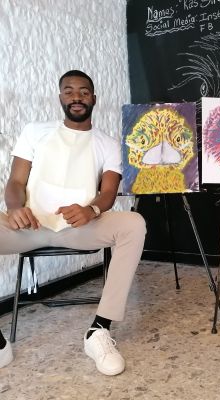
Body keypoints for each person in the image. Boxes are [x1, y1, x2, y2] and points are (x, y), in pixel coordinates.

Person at [0, 70, 146, 376]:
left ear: (94, 99)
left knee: (133, 224)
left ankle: (99, 330)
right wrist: (14, 208)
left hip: (79, 229)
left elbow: (108, 193)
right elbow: (15, 182)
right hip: (29, 227)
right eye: (69, 91)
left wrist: (92, 209)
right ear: (60, 97)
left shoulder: (108, 144)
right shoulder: (34, 132)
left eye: (83, 92)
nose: (76, 97)